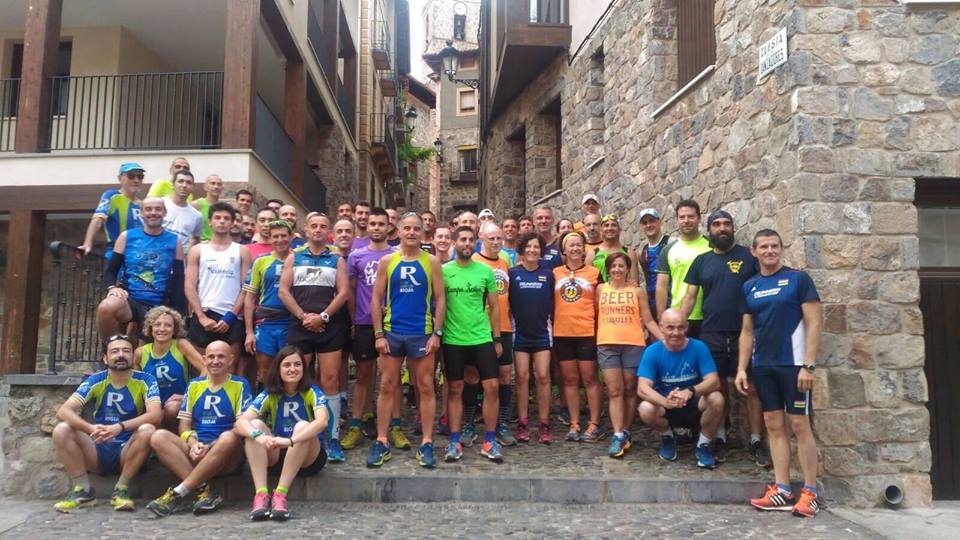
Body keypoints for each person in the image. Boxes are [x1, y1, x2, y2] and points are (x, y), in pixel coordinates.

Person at [736, 229, 823, 517]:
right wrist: (741, 369)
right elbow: (747, 332)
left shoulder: (799, 280)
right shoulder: (750, 286)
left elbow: (814, 323)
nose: (769, 251)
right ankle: (782, 489)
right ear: (754, 251)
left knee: (799, 425)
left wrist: (809, 365)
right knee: (773, 424)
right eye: (764, 246)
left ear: (781, 249)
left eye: (774, 246)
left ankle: (810, 492)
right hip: (763, 365)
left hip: (794, 365)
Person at [680, 210, 767, 466]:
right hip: (711, 332)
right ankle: (719, 436)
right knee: (717, 386)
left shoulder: (747, 258)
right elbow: (690, 297)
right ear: (709, 230)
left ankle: (755, 440)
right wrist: (677, 325)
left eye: (726, 224)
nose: (722, 228)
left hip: (745, 332)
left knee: (751, 387)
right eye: (716, 224)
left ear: (733, 228)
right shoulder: (701, 261)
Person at [367, 213, 446, 469]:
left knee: (425, 386)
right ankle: (381, 439)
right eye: (407, 228)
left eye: (416, 229)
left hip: (421, 332)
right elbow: (376, 299)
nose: (412, 232)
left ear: (423, 233)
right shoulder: (387, 260)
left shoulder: (431, 261)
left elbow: (441, 299)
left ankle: (426, 441)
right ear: (398, 231)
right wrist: (378, 334)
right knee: (388, 384)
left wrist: (437, 333)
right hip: (392, 332)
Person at [51, 335, 161, 512]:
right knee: (61, 429)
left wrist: (119, 427)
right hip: (97, 445)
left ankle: (121, 489)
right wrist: (90, 428)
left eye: (126, 351)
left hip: (128, 448)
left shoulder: (146, 379)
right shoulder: (96, 380)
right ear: (105, 358)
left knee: (148, 429)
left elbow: (155, 415)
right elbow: (63, 411)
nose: (121, 355)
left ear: (133, 356)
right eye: (115, 351)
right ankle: (82, 491)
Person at [146, 341, 252, 517]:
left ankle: (178, 492)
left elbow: (240, 426)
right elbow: (184, 425)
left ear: (230, 359)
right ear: (204, 359)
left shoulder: (241, 385)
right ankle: (204, 489)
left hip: (226, 454)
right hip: (197, 449)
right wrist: (194, 443)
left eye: (221, 357)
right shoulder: (194, 385)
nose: (215, 361)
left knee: (228, 437)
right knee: (158, 437)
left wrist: (211, 446)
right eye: (211, 356)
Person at [279, 213, 351, 462]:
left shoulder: (336, 259)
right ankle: (304, 435)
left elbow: (343, 293)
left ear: (328, 231)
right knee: (300, 379)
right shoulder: (294, 256)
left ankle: (332, 438)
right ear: (307, 230)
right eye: (314, 226)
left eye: (323, 226)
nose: (318, 230)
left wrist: (323, 317)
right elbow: (283, 291)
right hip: (300, 325)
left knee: (330, 380)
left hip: (329, 326)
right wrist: (303, 317)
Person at [236, 346, 330, 521]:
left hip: (308, 458)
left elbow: (322, 421)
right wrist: (260, 437)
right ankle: (261, 495)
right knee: (254, 425)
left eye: (297, 364)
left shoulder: (312, 391)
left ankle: (280, 495)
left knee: (302, 426)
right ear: (278, 369)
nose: (292, 369)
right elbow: (241, 421)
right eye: (287, 365)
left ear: (304, 368)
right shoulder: (269, 394)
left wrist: (291, 441)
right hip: (278, 454)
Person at [441, 226, 505, 462]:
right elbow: (437, 303)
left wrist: (497, 338)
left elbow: (495, 306)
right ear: (455, 243)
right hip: (453, 339)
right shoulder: (444, 271)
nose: (467, 243)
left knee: (492, 387)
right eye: (462, 240)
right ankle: (455, 441)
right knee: (456, 389)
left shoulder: (485, 271)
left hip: (481, 337)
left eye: (470, 240)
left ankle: (489, 440)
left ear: (475, 243)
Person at [637, 308, 724, 469]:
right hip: (666, 405)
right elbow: (642, 388)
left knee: (717, 398)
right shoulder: (652, 351)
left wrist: (690, 391)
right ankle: (667, 437)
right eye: (670, 328)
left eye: (680, 327)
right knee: (645, 408)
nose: (675, 332)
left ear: (687, 327)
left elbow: (714, 381)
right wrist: (665, 402)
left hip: (693, 402)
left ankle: (703, 445)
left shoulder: (699, 347)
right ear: (661, 327)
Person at [597, 252, 663, 458]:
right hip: (607, 344)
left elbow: (649, 320)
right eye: (613, 266)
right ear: (608, 269)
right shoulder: (600, 289)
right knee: (615, 390)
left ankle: (626, 430)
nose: (617, 269)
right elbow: (593, 316)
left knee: (630, 389)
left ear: (627, 269)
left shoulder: (637, 291)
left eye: (621, 266)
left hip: (633, 344)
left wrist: (665, 340)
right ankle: (617, 434)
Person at [342, 208, 395, 450]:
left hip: (392, 324)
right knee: (363, 376)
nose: (376, 227)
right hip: (364, 322)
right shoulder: (356, 256)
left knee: (390, 379)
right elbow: (351, 289)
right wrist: (353, 318)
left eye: (380, 224)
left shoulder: (397, 255)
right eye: (372, 223)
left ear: (388, 227)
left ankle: (394, 426)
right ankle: (356, 425)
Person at [95, 197, 184, 341]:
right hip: (130, 299)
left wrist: (179, 312)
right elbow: (111, 270)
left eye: (158, 209)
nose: (153, 213)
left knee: (144, 353)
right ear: (141, 213)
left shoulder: (175, 241)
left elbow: (180, 279)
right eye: (148, 209)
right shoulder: (127, 237)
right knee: (106, 307)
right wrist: (112, 287)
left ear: (165, 213)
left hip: (160, 302)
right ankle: (110, 351)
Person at [185, 202, 252, 366]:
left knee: (230, 370)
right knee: (203, 369)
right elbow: (189, 286)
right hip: (205, 315)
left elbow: (247, 287)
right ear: (210, 222)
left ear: (232, 223)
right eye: (217, 218)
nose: (222, 221)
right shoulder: (198, 250)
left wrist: (231, 316)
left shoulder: (241, 251)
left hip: (232, 317)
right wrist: (201, 316)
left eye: (226, 218)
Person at [553, 232, 603, 443]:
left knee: (590, 379)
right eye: (570, 245)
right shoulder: (555, 272)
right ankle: (574, 423)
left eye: (578, 245)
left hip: (587, 333)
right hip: (562, 333)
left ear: (584, 249)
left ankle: (594, 423)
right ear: (564, 251)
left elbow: (601, 304)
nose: (574, 248)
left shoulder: (595, 273)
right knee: (570, 380)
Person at [472, 223, 517, 446]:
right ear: (481, 237)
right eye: (491, 238)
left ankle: (502, 422)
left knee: (504, 376)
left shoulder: (506, 262)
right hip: (479, 328)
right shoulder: (473, 261)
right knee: (473, 376)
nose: (496, 242)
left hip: (504, 327)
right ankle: (470, 422)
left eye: (499, 238)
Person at [509, 232, 556, 444]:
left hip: (542, 334)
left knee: (544, 377)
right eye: (528, 247)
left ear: (541, 251)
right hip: (520, 334)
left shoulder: (548, 274)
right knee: (521, 377)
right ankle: (522, 423)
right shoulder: (513, 274)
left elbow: (553, 305)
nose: (532, 250)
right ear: (521, 249)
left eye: (536, 247)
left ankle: (544, 424)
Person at [135, 306, 204, 430]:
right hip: (153, 406)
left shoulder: (180, 345)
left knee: (171, 408)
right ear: (151, 329)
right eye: (157, 325)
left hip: (178, 404)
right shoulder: (140, 353)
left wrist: (188, 396)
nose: (162, 329)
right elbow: (136, 387)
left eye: (167, 325)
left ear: (174, 330)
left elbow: (205, 368)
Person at [244, 220, 295, 386]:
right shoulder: (261, 261)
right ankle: (267, 409)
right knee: (265, 372)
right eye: (275, 236)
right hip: (266, 323)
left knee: (291, 369)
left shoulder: (299, 258)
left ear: (291, 237)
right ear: (270, 238)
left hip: (291, 321)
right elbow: (250, 298)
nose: (280, 240)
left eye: (283, 236)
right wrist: (249, 332)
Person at [656, 200, 710, 337]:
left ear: (699, 218)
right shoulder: (668, 250)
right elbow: (661, 286)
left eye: (691, 216)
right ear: (677, 220)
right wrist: (662, 317)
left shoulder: (712, 245)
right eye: (682, 217)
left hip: (708, 315)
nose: (686, 220)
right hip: (678, 318)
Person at [80, 162, 144, 258]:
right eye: (131, 176)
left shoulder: (141, 204)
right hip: (118, 251)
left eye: (140, 177)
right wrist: (87, 244)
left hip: (140, 253)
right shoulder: (112, 196)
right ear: (120, 178)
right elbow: (98, 219)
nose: (136, 180)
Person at [162, 170, 204, 254]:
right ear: (173, 184)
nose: (184, 185)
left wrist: (189, 256)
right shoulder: (160, 204)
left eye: (188, 182)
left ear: (193, 187)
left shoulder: (197, 215)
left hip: (180, 260)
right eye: (180, 181)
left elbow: (196, 238)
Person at [639, 208, 670, 319]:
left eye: (652, 221)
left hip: (671, 302)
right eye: (645, 222)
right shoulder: (643, 251)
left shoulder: (671, 242)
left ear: (659, 222)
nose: (648, 225)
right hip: (652, 304)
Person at [590, 214, 639, 283]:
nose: (610, 228)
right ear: (601, 230)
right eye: (606, 225)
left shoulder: (629, 254)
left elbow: (634, 282)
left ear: (619, 229)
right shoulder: (592, 255)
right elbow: (588, 282)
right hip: (600, 292)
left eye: (613, 225)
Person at [192, 174, 224, 243]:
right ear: (205, 187)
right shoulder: (196, 205)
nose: (216, 187)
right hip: (200, 245)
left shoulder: (223, 207)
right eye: (212, 183)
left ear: (222, 189)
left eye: (219, 184)